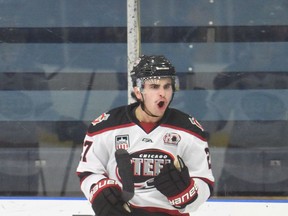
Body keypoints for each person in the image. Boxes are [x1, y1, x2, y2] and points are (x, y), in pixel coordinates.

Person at [76, 55, 214, 215]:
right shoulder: (106, 126)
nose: (163, 93)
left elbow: (205, 180)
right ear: (138, 92)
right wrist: (100, 192)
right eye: (154, 86)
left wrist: (188, 195)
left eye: (167, 86)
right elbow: (89, 171)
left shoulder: (189, 130)